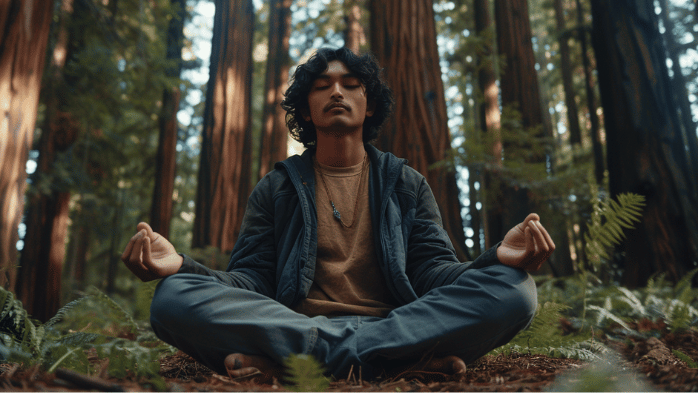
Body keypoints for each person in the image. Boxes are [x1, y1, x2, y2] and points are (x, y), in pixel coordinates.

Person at [121, 47, 555, 382]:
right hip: (297, 325)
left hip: (393, 324)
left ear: (369, 104)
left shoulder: (406, 183)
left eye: (351, 84)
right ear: (306, 108)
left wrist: (496, 259)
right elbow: (251, 281)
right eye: (322, 85)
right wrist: (181, 267)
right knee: (173, 298)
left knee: (515, 290)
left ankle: (296, 369)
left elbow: (433, 273)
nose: (336, 92)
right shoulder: (277, 187)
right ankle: (391, 365)